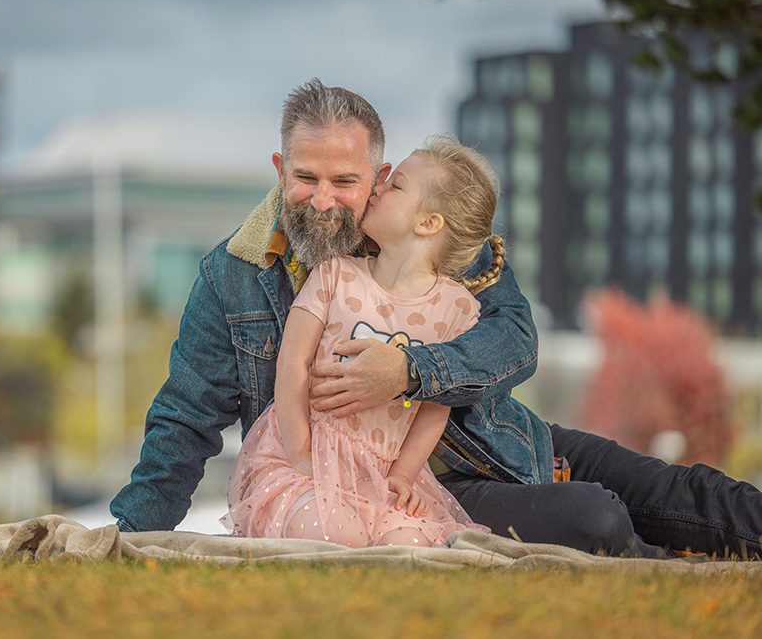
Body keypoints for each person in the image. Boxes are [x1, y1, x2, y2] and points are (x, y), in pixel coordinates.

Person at [110, 79, 762, 557]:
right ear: (281, 170)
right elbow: (184, 420)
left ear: (379, 176)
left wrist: (410, 369)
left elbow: (515, 339)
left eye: (346, 179)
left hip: (509, 441)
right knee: (597, 518)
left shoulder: (431, 244)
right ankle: (667, 563)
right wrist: (127, 536)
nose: (324, 199)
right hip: (414, 491)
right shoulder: (234, 275)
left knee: (693, 494)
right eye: (305, 177)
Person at [223, 139, 497, 547]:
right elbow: (293, 362)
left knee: (410, 544)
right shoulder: (336, 274)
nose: (378, 189)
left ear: (428, 223)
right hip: (311, 450)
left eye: (397, 185)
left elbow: (437, 404)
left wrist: (403, 474)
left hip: (382, 467)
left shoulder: (455, 309)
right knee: (333, 531)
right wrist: (300, 453)